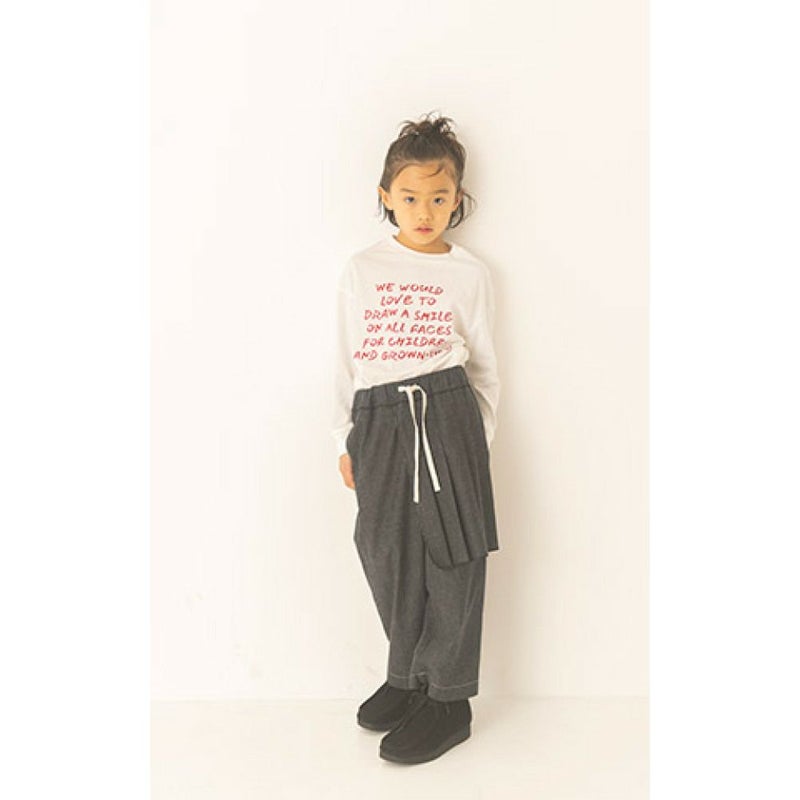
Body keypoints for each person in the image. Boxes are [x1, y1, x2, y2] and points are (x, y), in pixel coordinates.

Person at [331, 112, 500, 765]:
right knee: (385, 550)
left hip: (446, 409)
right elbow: (346, 357)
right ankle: (408, 675)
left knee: (453, 555)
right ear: (386, 197)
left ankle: (449, 700)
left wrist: (474, 441)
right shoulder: (362, 268)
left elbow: (485, 365)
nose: (424, 211)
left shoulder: (469, 273)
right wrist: (345, 438)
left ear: (457, 199)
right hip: (378, 417)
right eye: (410, 197)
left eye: (438, 197)